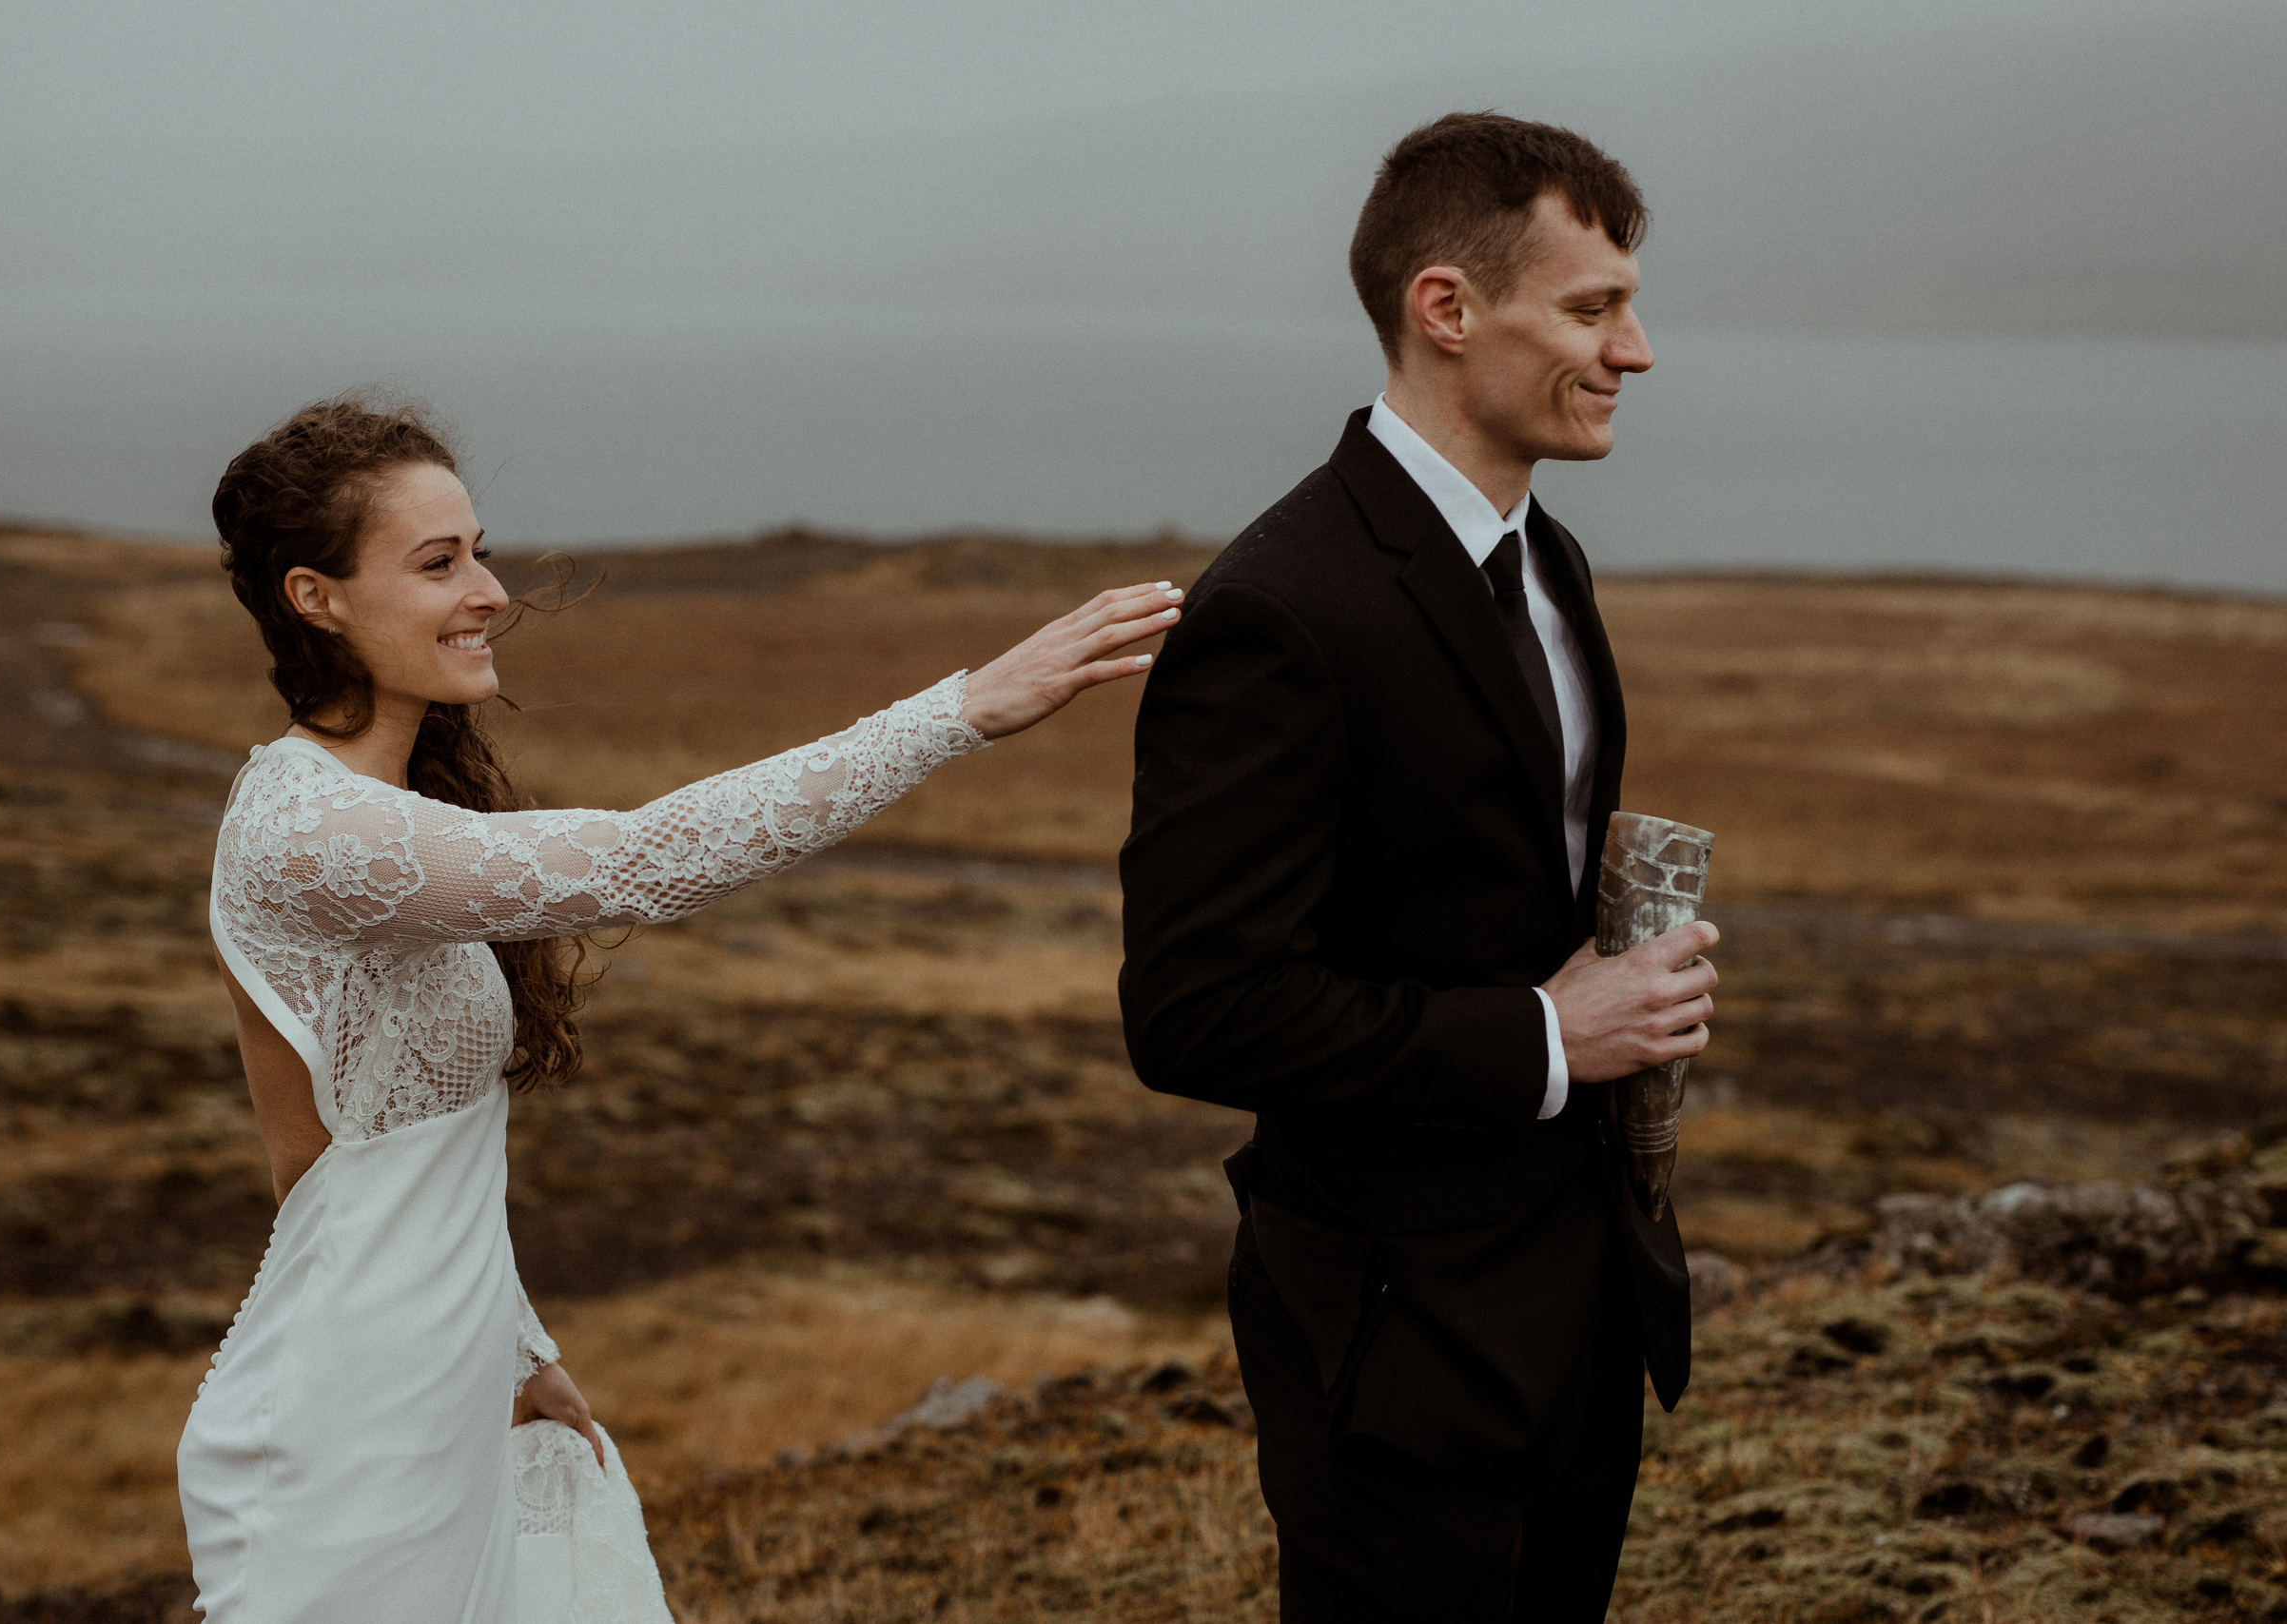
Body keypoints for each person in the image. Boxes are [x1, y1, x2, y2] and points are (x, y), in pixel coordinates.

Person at [179, 393, 1183, 1624]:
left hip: (445, 1384)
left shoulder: (394, 808)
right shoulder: (307, 831)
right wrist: (960, 709)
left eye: (477, 549)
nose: (489, 590)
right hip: (353, 1413)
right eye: (438, 564)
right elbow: (644, 859)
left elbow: (391, 1159)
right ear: (313, 597)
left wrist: (518, 1350)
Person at [1117, 113, 1717, 1621]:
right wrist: (1543, 1036)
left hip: (1581, 1303)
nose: (1635, 352)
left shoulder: (1550, 557)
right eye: (1592, 309)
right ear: (1446, 308)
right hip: (1394, 1343)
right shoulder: (1280, 609)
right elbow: (1194, 1010)